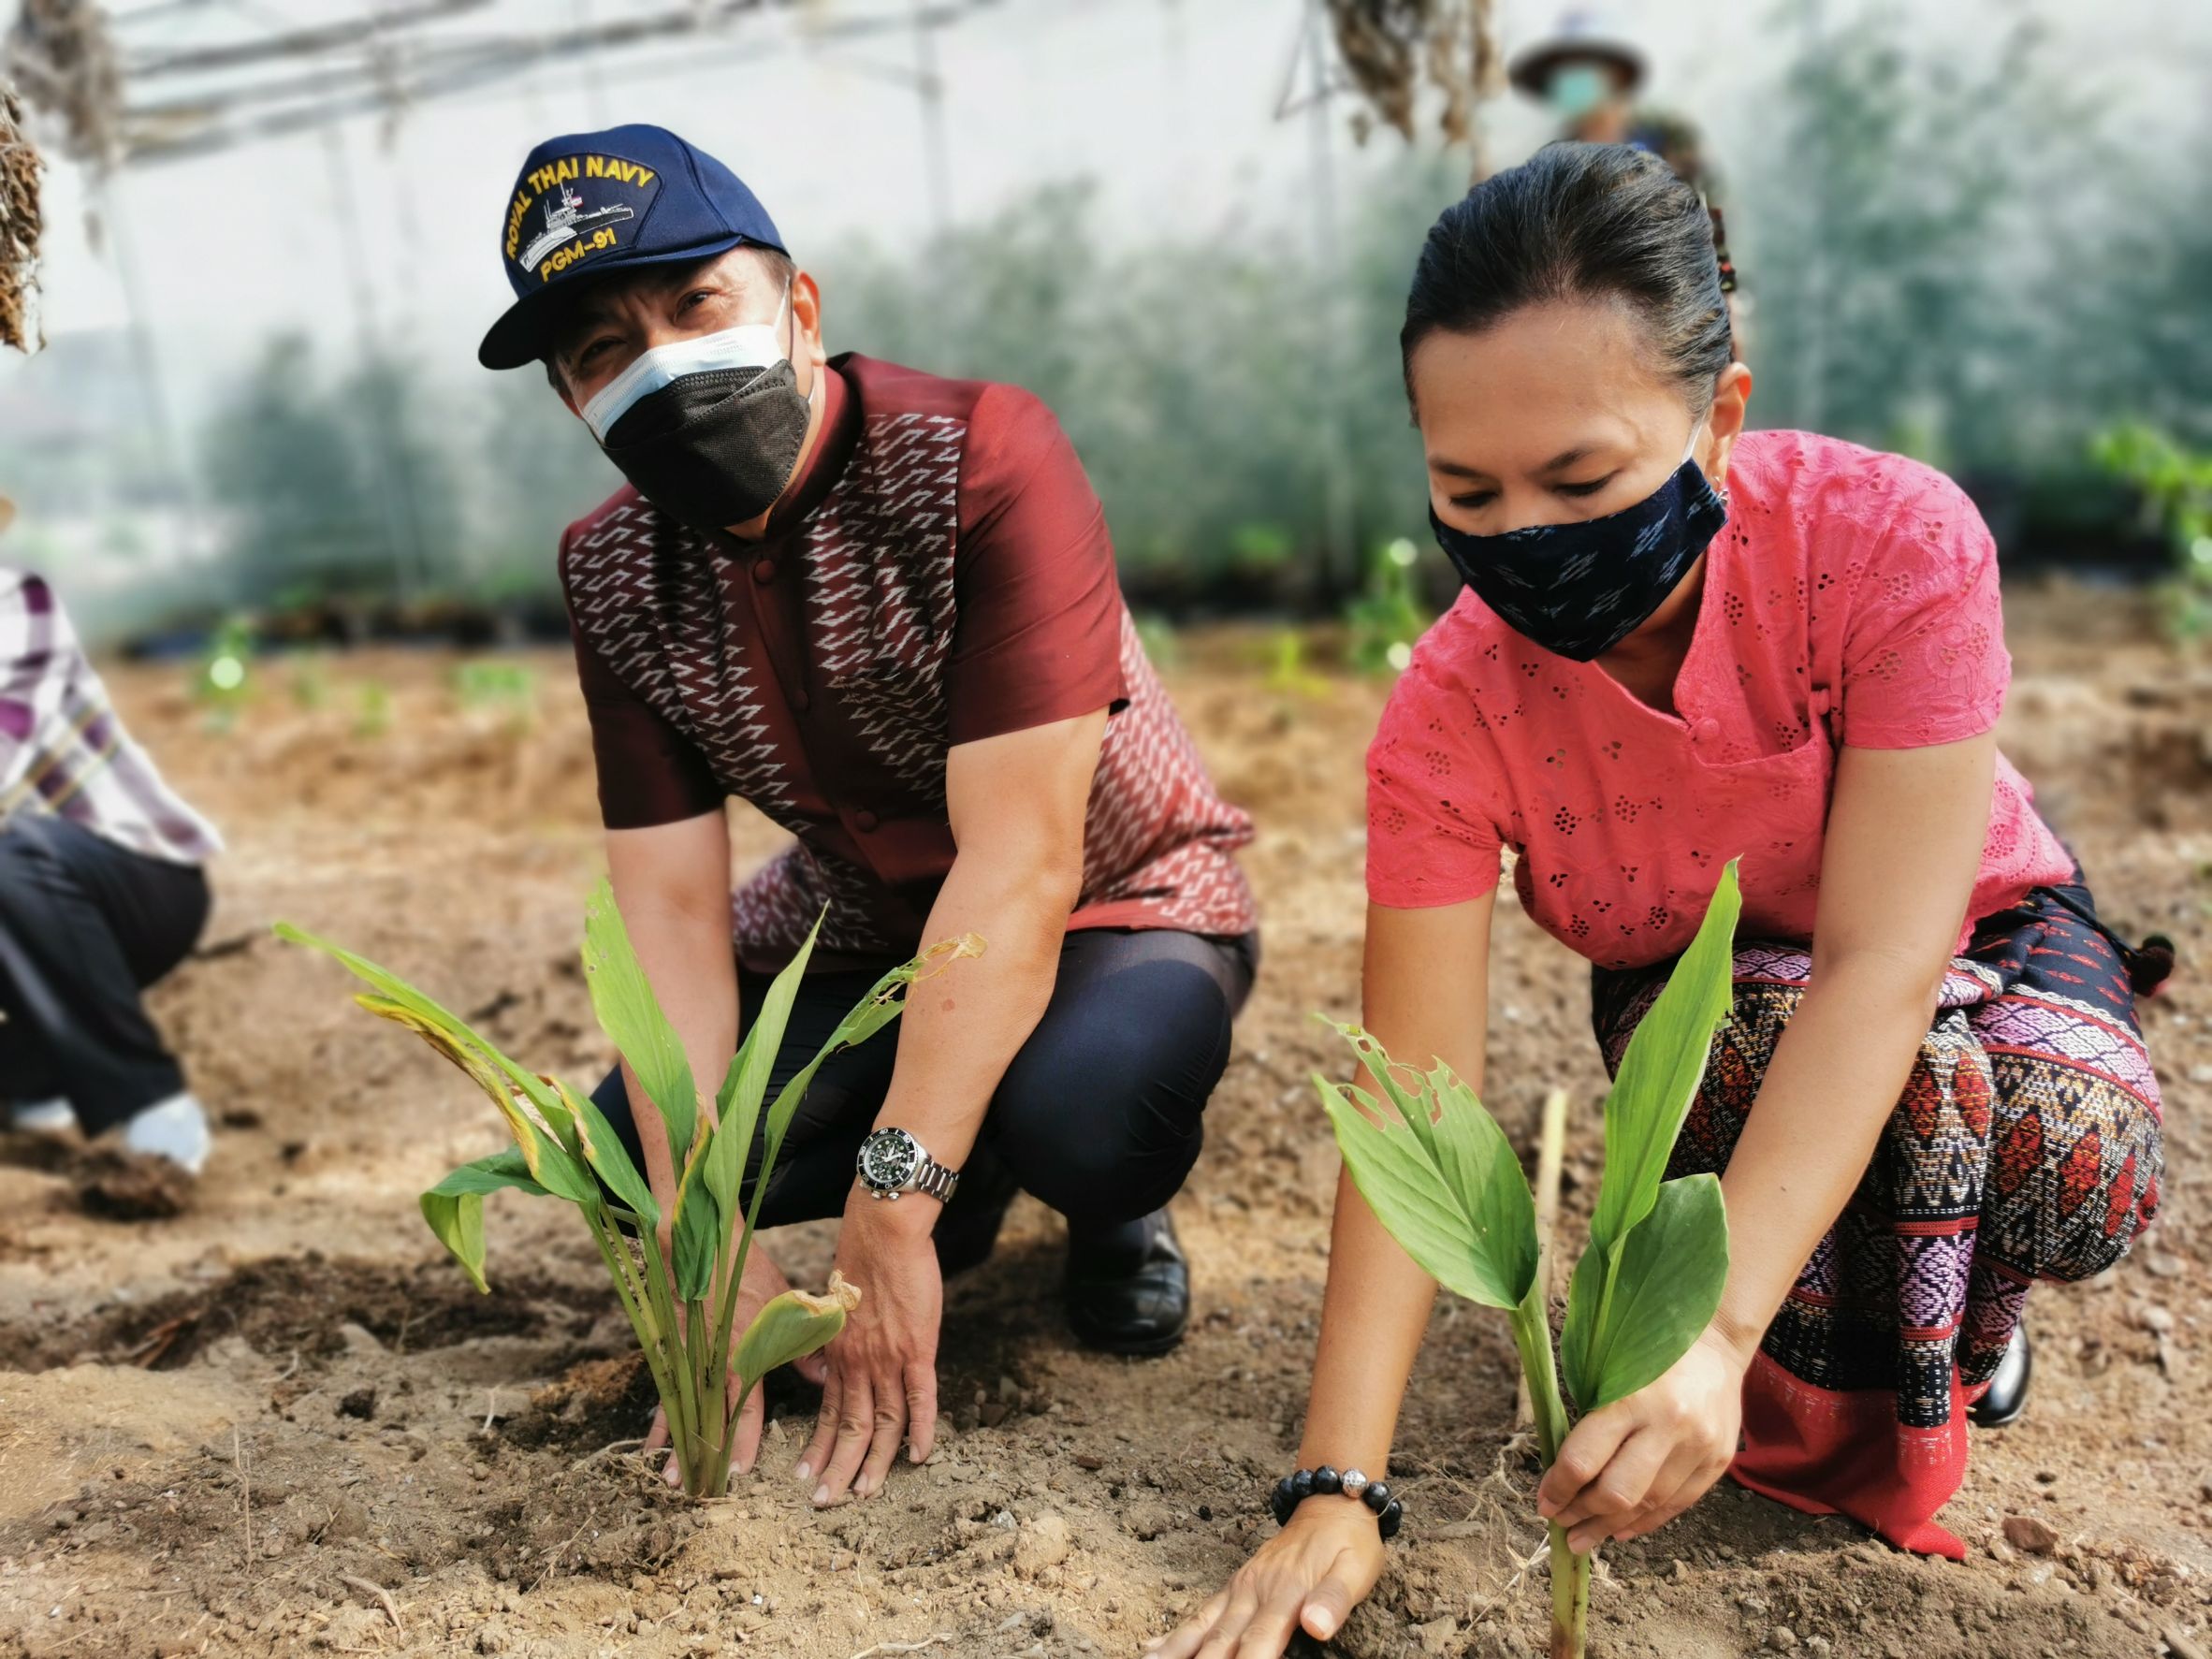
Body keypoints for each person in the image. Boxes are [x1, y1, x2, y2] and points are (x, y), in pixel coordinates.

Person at [1154, 143, 2166, 1656]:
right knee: (1751, 1049)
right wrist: (1337, 1482)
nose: (1524, 534)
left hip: (1967, 920)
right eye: (1466, 489)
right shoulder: (1448, 716)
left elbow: (1883, 958)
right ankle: (1839, 1341)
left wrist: (1715, 1331)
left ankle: (1961, 1330)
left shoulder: (1886, 543)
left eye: (1580, 481)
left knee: (2059, 1136)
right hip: (1708, 986)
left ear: (1720, 417)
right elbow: (1415, 1098)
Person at [475, 125, 1258, 1506]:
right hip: (864, 930)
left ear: (799, 303)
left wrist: (890, 1205)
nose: (661, 363)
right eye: (602, 350)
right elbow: (669, 910)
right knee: (622, 1151)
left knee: (1085, 1111)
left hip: (1108, 900)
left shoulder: (975, 457)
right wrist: (702, 1231)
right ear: (571, 400)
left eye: (695, 304)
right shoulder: (617, 573)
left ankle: (1098, 1211)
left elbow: (1021, 864)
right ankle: (963, 1154)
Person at [0, 514, 222, 1179]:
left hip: (131, 880)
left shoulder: (15, 602)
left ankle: (150, 1104)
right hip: (31, 915)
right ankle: (30, 1081)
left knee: (8, 859)